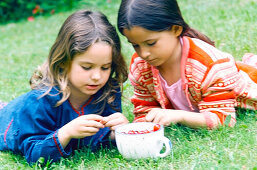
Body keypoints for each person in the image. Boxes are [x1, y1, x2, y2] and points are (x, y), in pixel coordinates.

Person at [0, 10, 128, 164]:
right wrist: (66, 133)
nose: (97, 76)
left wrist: (117, 132)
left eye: (105, 67)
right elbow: (35, 156)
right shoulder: (40, 100)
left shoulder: (109, 91)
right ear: (63, 62)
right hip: (10, 120)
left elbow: (96, 137)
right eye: (87, 67)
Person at [117, 0, 257, 129]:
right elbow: (143, 111)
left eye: (151, 43)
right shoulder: (140, 66)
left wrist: (180, 116)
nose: (144, 53)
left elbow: (224, 119)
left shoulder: (211, 65)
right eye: (135, 45)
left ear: (176, 30)